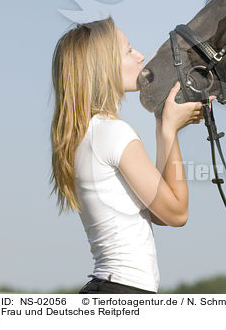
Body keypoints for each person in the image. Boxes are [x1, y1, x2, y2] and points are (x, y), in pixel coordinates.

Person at [49, 17, 212, 294]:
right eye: (128, 50)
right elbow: (176, 213)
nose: (141, 56)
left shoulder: (88, 133)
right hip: (125, 292)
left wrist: (164, 123)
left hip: (110, 288)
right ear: (103, 66)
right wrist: (169, 129)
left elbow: (159, 212)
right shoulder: (113, 132)